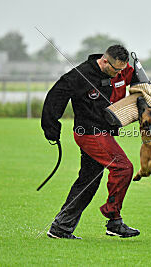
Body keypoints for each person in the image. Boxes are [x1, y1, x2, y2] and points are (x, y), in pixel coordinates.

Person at [41, 45, 140, 239]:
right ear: (104, 61)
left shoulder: (122, 69)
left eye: (122, 69)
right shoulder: (80, 75)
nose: (119, 74)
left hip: (105, 132)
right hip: (89, 133)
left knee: (88, 181)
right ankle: (114, 220)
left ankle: (61, 228)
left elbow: (136, 79)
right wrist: (51, 127)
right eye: (115, 70)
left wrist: (144, 88)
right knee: (123, 168)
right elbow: (56, 95)